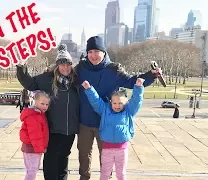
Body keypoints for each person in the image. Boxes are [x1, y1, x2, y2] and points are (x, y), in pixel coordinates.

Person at [75, 36, 162, 180]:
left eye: (97, 51)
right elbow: (64, 76)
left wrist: (150, 75)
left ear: (104, 52)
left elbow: (132, 81)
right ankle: (84, 178)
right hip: (85, 121)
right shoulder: (81, 68)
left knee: (106, 157)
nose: (93, 55)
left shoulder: (114, 69)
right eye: (90, 52)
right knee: (83, 154)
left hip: (106, 123)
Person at [16, 44, 79, 180]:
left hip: (70, 129)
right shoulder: (47, 79)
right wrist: (21, 67)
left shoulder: (76, 80)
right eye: (62, 64)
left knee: (63, 158)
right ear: (57, 66)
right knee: (51, 158)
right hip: (53, 128)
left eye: (68, 64)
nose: (65, 67)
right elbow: (30, 83)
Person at [82, 78, 144, 180]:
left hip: (122, 149)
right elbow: (96, 101)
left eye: (120, 103)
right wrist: (89, 89)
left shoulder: (129, 111)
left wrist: (138, 87)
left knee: (121, 174)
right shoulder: (105, 110)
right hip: (107, 149)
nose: (117, 106)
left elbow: (137, 100)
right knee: (105, 173)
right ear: (111, 102)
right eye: (114, 103)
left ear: (125, 103)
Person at [20, 91, 50, 180]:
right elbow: (35, 135)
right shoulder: (34, 116)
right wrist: (40, 149)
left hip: (32, 148)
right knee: (32, 171)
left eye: (47, 104)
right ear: (36, 102)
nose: (45, 106)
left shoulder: (39, 114)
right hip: (32, 149)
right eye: (42, 104)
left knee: (32, 170)